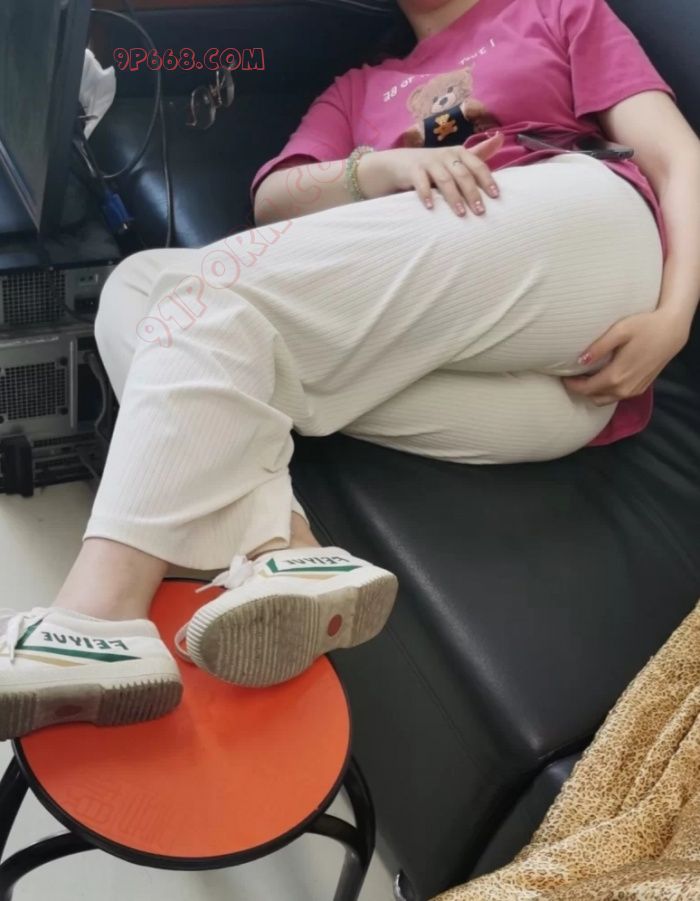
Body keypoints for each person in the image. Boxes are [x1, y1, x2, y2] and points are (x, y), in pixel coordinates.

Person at [1, 0, 699, 741]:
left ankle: (97, 614)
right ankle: (284, 551)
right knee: (139, 293)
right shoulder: (359, 88)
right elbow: (274, 200)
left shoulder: (557, 11)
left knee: (206, 301)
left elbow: (677, 154)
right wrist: (383, 168)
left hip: (584, 247)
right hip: (542, 405)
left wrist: (677, 312)